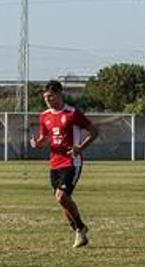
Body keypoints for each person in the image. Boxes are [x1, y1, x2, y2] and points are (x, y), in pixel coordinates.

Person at [30, 80, 99, 248]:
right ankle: (79, 230)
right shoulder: (44, 116)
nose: (48, 100)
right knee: (62, 200)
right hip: (54, 163)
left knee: (62, 197)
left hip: (71, 162)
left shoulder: (73, 113)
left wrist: (80, 147)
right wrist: (38, 144)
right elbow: (46, 138)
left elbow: (94, 131)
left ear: (60, 94)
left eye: (51, 96)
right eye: (46, 97)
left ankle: (80, 228)